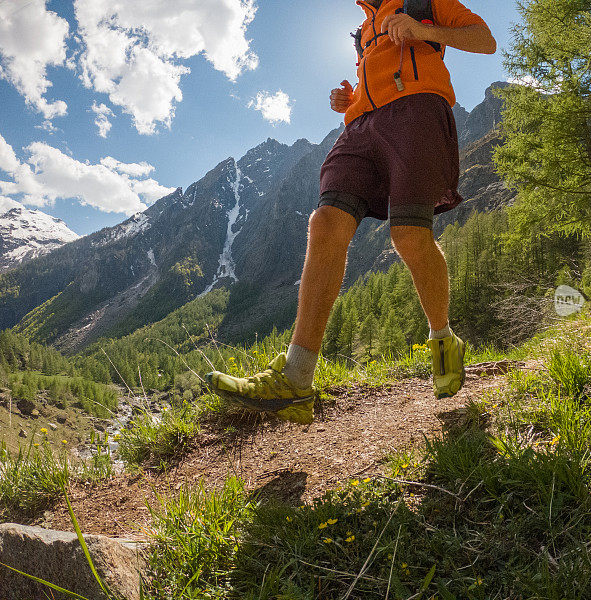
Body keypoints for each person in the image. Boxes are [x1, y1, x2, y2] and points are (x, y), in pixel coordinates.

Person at [206, 0, 496, 425]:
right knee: (324, 221)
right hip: (360, 128)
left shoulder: (424, 2)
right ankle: (297, 379)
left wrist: (423, 30)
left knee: (409, 235)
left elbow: (484, 40)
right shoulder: (362, 30)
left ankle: (443, 338)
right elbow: (375, 76)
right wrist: (350, 99)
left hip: (416, 112)